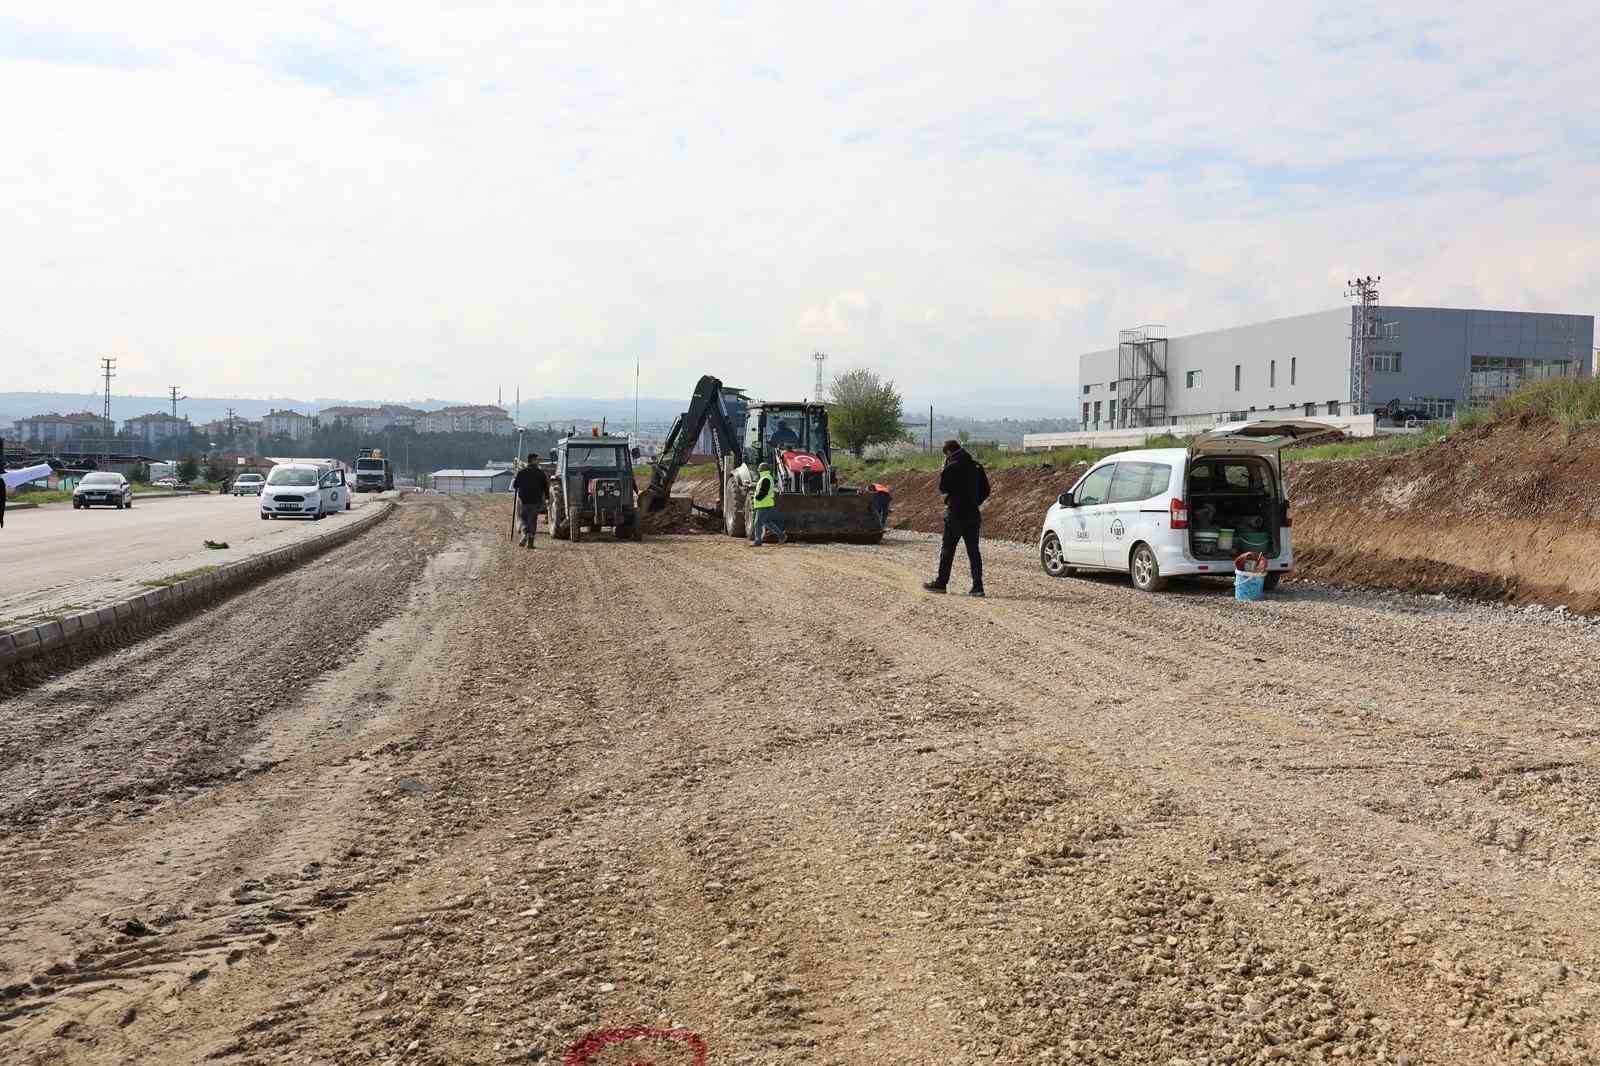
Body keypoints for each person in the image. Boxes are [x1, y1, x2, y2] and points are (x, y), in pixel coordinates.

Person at [923, 440, 988, 597]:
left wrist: (944, 468)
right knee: (974, 551)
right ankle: (978, 587)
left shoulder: (951, 466)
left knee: (948, 549)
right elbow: (986, 490)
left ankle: (941, 583)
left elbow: (943, 488)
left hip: (956, 513)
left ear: (948, 452)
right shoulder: (976, 466)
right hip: (973, 513)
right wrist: (974, 502)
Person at [511, 460, 551, 548]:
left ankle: (524, 534)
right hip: (536, 502)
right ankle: (530, 543)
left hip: (524, 501)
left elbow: (515, 486)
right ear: (536, 463)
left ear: (528, 462)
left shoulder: (521, 472)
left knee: (523, 519)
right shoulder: (541, 473)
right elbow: (546, 487)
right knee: (532, 521)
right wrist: (547, 498)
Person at [749, 461, 787, 546]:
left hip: (763, 505)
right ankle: (782, 536)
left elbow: (764, 492)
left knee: (758, 523)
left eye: (759, 468)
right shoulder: (766, 477)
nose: (758, 470)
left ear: (762, 469)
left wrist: (757, 497)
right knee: (768, 522)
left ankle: (758, 541)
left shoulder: (765, 478)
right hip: (766, 504)